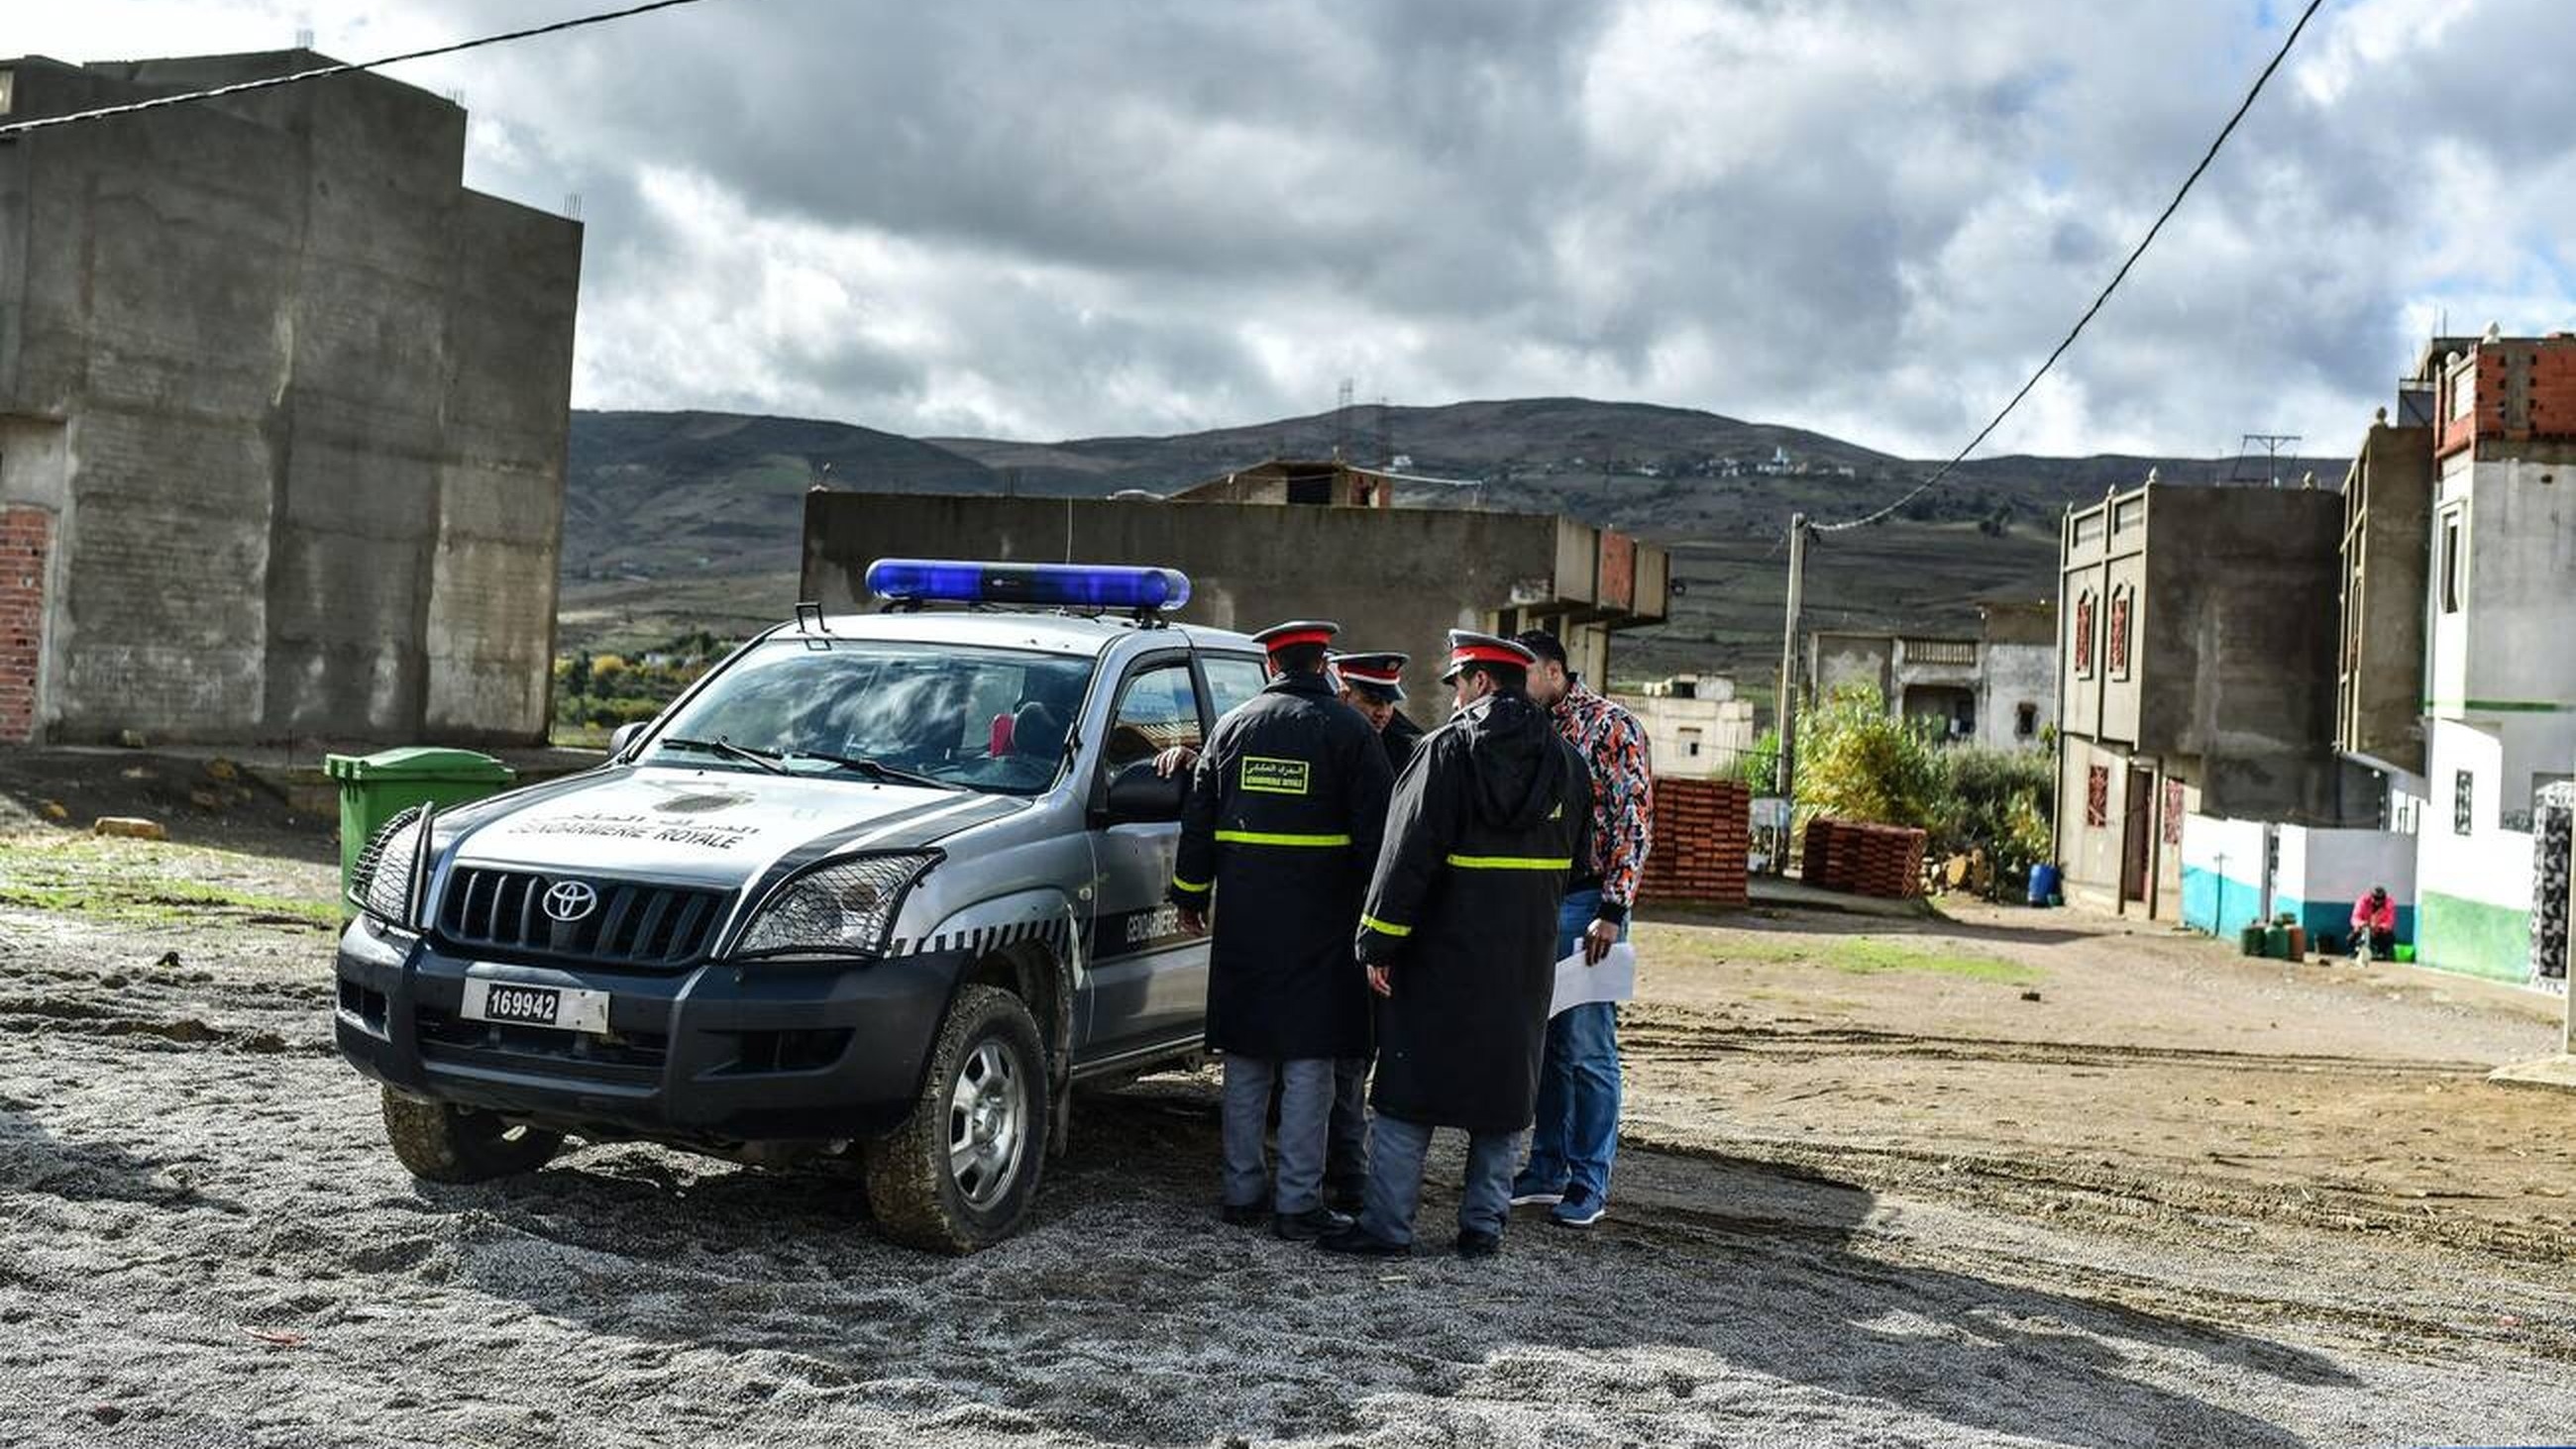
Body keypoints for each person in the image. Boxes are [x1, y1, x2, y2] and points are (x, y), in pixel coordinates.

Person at [1321, 631, 1589, 1261]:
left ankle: (1387, 1227)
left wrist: (1377, 943)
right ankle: (1483, 1229)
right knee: (1502, 1096)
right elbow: (1577, 866)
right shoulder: (1567, 763)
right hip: (1523, 961)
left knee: (1409, 1091)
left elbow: (1404, 857)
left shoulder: (1441, 753)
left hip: (1439, 958)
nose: (1456, 698)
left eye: (1459, 684)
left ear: (1481, 682)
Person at [1170, 620, 1394, 1241]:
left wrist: (1191, 895)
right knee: (1310, 1064)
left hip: (1246, 924)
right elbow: (1378, 842)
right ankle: (1297, 1203)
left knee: (1246, 1060)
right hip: (1326, 928)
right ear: (1322, 665)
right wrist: (1378, 924)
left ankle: (1241, 1193)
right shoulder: (1351, 732)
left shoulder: (1232, 727)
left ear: (1272, 667)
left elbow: (1200, 820)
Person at [1509, 627, 1653, 1230]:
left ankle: (1589, 1180)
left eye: (1523, 676)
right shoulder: (1527, 725)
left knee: (1590, 1049)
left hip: (1590, 901)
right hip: (1539, 901)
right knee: (1547, 1046)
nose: (1516, 689)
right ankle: (1546, 1169)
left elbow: (1634, 819)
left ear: (1551, 670)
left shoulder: (1610, 727)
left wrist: (1613, 909)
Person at [1332, 652, 1426, 774]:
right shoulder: (1322, 735)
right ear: (1343, 697)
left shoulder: (1404, 748)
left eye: (1390, 703)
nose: (1384, 713)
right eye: (1373, 702)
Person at [2350, 884, 2398, 961]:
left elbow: (2390, 921)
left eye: (2381, 899)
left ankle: (2381, 953)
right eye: (2376, 898)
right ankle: (2357, 952)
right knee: (2351, 937)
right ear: (2371, 897)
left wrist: (2380, 927)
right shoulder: (2362, 901)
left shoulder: (2389, 903)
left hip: (2379, 929)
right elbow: (2355, 917)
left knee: (2389, 937)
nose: (2378, 901)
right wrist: (2362, 924)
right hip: (2364, 928)